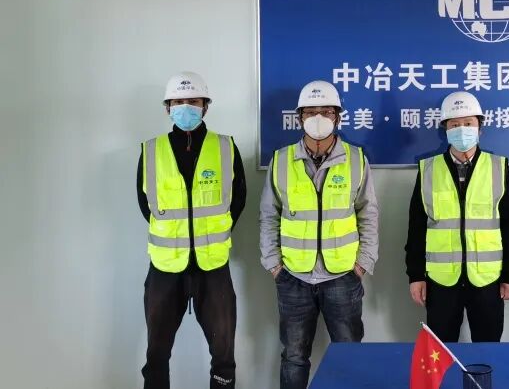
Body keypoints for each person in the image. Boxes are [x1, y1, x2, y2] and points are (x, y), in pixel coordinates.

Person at [260, 80, 379, 389]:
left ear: (337, 116)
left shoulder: (356, 159)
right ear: (299, 117)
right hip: (293, 276)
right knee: (294, 357)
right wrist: (274, 265)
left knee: (349, 355)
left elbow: (368, 213)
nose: (318, 118)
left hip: (342, 276)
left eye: (326, 111)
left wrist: (362, 263)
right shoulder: (281, 160)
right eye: (310, 112)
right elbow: (269, 214)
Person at [138, 71, 246, 389]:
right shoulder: (151, 150)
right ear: (168, 108)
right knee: (156, 355)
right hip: (165, 267)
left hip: (213, 267)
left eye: (193, 101)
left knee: (223, 356)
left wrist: (211, 233)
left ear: (205, 106)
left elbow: (238, 199)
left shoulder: (225, 147)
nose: (186, 107)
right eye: (178, 101)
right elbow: (147, 205)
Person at [405, 91, 509, 342]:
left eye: (468, 123)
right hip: (441, 281)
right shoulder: (428, 169)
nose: (462, 129)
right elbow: (416, 229)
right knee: (442, 351)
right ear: (445, 129)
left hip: (487, 279)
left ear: (480, 127)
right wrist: (415, 276)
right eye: (454, 124)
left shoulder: (498, 167)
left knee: (488, 349)